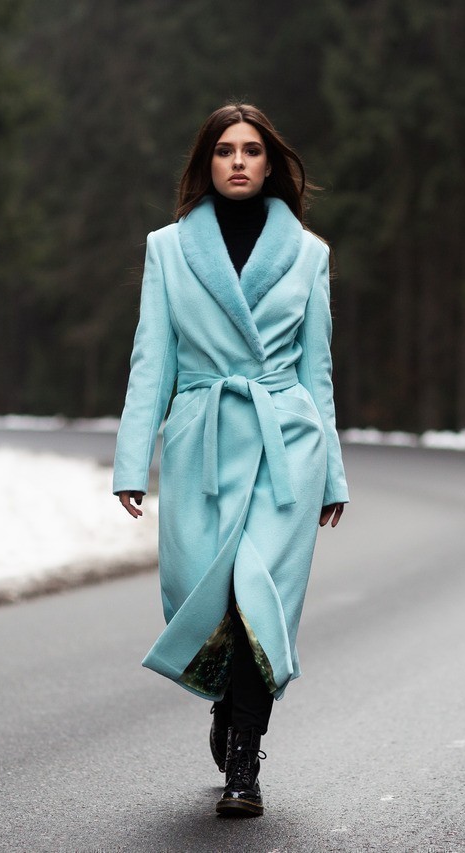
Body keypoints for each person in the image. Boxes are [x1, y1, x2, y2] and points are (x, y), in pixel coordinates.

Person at [113, 102, 348, 818]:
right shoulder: (167, 249)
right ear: (206, 163)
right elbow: (152, 360)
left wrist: (333, 474)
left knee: (259, 598)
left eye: (250, 150)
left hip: (286, 447)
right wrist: (131, 461)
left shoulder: (309, 254)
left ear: (270, 164)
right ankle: (227, 705)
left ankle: (245, 758)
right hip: (203, 443)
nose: (238, 161)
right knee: (207, 595)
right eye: (224, 150)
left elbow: (317, 373)